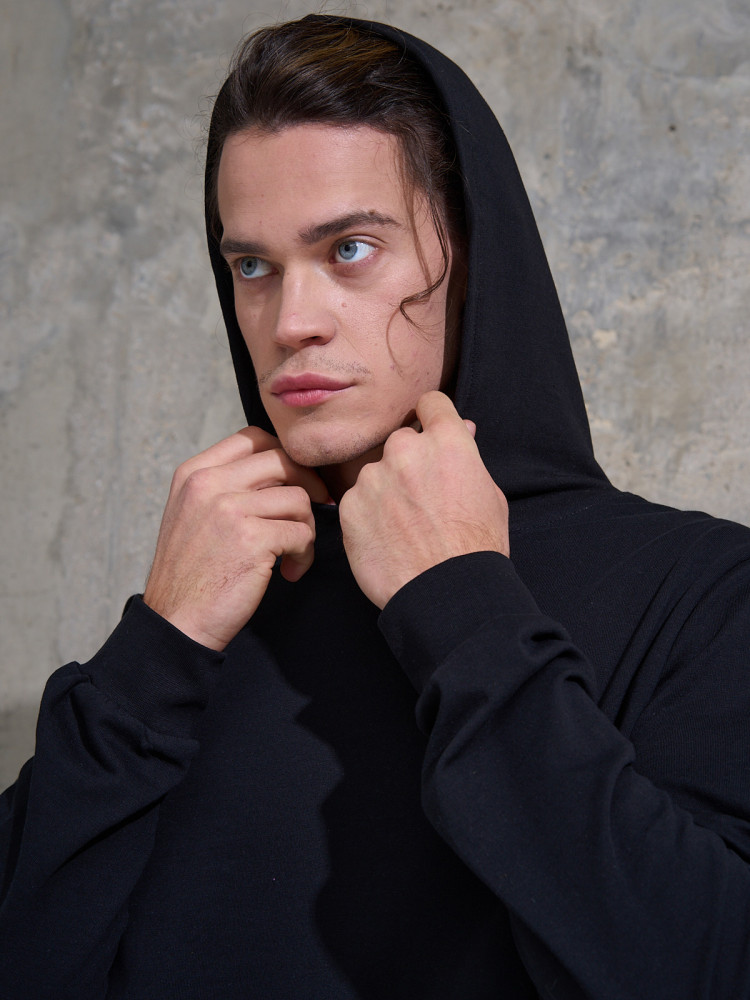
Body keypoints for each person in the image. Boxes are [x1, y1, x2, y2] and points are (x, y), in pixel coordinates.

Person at [1, 13, 749, 999]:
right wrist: (156, 651)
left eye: (350, 249)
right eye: (253, 266)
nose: (290, 322)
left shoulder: (705, 593)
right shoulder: (211, 616)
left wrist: (465, 607)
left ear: (472, 257)